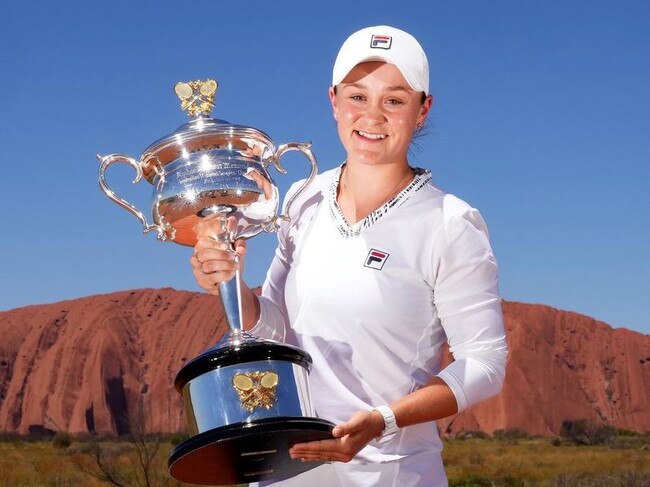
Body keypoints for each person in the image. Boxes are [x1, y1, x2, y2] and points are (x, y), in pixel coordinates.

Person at [191, 25, 508, 487]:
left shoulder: (450, 223)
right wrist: (231, 283)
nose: (373, 117)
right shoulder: (304, 199)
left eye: (394, 100)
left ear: (423, 109)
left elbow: (485, 364)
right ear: (334, 101)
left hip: (392, 473)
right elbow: (277, 329)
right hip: (289, 469)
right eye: (358, 97)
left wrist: (383, 419)